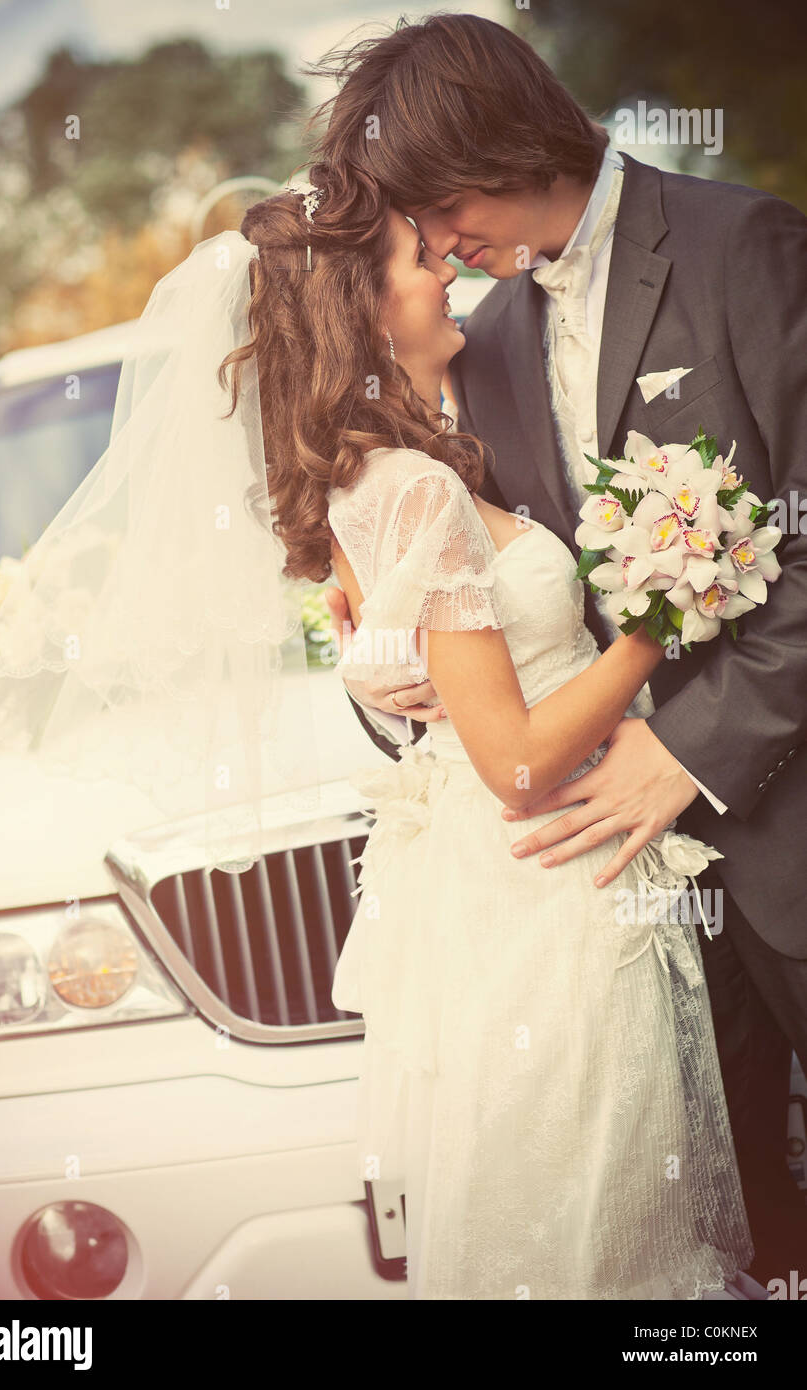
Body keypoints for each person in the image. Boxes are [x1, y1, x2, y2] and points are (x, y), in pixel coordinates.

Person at [311, 12, 807, 1289]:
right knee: (731, 1238)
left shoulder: (737, 246)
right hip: (625, 917)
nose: (430, 246)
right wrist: (382, 676)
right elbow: (497, 614)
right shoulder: (494, 343)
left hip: (781, 829)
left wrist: (687, 754)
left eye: (430, 206)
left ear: (494, 137)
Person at [208, 173, 752, 1299]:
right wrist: (661, 614)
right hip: (548, 875)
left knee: (543, 1220)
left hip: (485, 895)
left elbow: (421, 679)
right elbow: (511, 762)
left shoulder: (363, 474)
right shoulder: (414, 488)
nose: (447, 266)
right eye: (419, 258)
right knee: (608, 1235)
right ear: (364, 307)